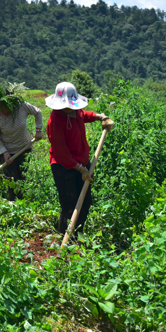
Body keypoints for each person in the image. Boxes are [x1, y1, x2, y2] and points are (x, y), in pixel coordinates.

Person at [45, 81, 115, 238]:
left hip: (81, 163)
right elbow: (62, 154)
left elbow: (84, 115)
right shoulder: (55, 121)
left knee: (85, 202)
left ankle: (77, 236)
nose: (72, 108)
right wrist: (81, 169)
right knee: (69, 205)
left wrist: (100, 117)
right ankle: (63, 238)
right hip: (64, 167)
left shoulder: (75, 111)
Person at [0, 83, 42, 201]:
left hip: (24, 149)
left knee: (21, 181)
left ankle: (22, 204)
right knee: (10, 182)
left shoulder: (22, 106)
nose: (2, 110)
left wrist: (38, 130)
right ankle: (11, 204)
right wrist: (5, 153)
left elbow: (38, 112)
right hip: (7, 153)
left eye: (4, 108)